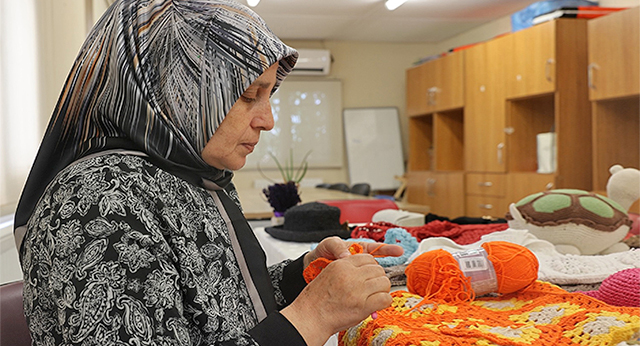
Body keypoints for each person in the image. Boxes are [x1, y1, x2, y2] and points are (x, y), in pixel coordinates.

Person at [13, 1, 403, 345]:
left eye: (269, 95)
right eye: (250, 95)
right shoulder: (97, 201)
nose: (267, 120)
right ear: (175, 91)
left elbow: (215, 305)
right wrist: (313, 316)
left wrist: (303, 276)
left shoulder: (190, 177)